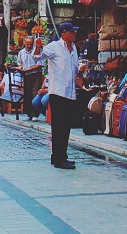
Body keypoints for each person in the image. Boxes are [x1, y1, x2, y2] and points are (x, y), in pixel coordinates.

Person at [39, 22, 84, 170]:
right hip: (58, 92)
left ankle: (61, 156)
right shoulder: (54, 46)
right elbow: (39, 56)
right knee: (58, 126)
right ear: (64, 33)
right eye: (72, 32)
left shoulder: (74, 48)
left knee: (66, 126)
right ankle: (58, 159)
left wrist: (80, 71)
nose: (74, 34)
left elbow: (74, 68)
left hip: (70, 92)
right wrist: (38, 47)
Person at [17, 36, 44, 120]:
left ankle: (35, 114)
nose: (29, 46)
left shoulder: (36, 51)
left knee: (35, 93)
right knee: (27, 94)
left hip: (36, 75)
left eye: (31, 44)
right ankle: (29, 113)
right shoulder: (21, 52)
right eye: (27, 44)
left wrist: (29, 69)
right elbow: (19, 62)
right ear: (24, 43)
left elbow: (40, 64)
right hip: (26, 75)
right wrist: (20, 67)